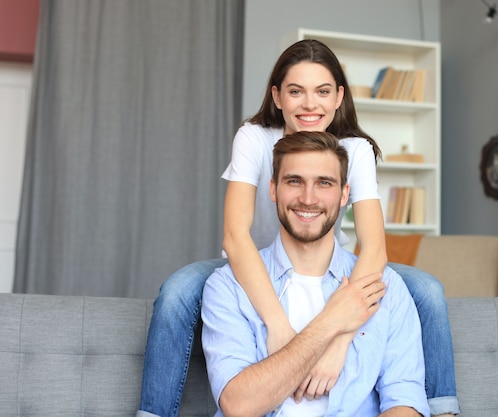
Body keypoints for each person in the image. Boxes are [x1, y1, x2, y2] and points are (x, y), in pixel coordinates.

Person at [137, 39, 459, 417]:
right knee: (178, 292)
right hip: (250, 263)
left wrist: (339, 339)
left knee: (425, 290)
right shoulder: (255, 138)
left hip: (324, 260)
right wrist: (278, 325)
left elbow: (373, 248)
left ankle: (443, 410)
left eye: (322, 91)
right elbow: (235, 237)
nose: (310, 105)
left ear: (339, 97)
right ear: (277, 96)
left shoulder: (354, 150)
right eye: (295, 91)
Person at [202, 130, 429, 417]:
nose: (308, 198)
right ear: (273, 189)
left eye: (324, 183)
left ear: (345, 193)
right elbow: (239, 405)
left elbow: (404, 402)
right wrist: (331, 322)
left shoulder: (387, 289)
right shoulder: (227, 287)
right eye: (294, 181)